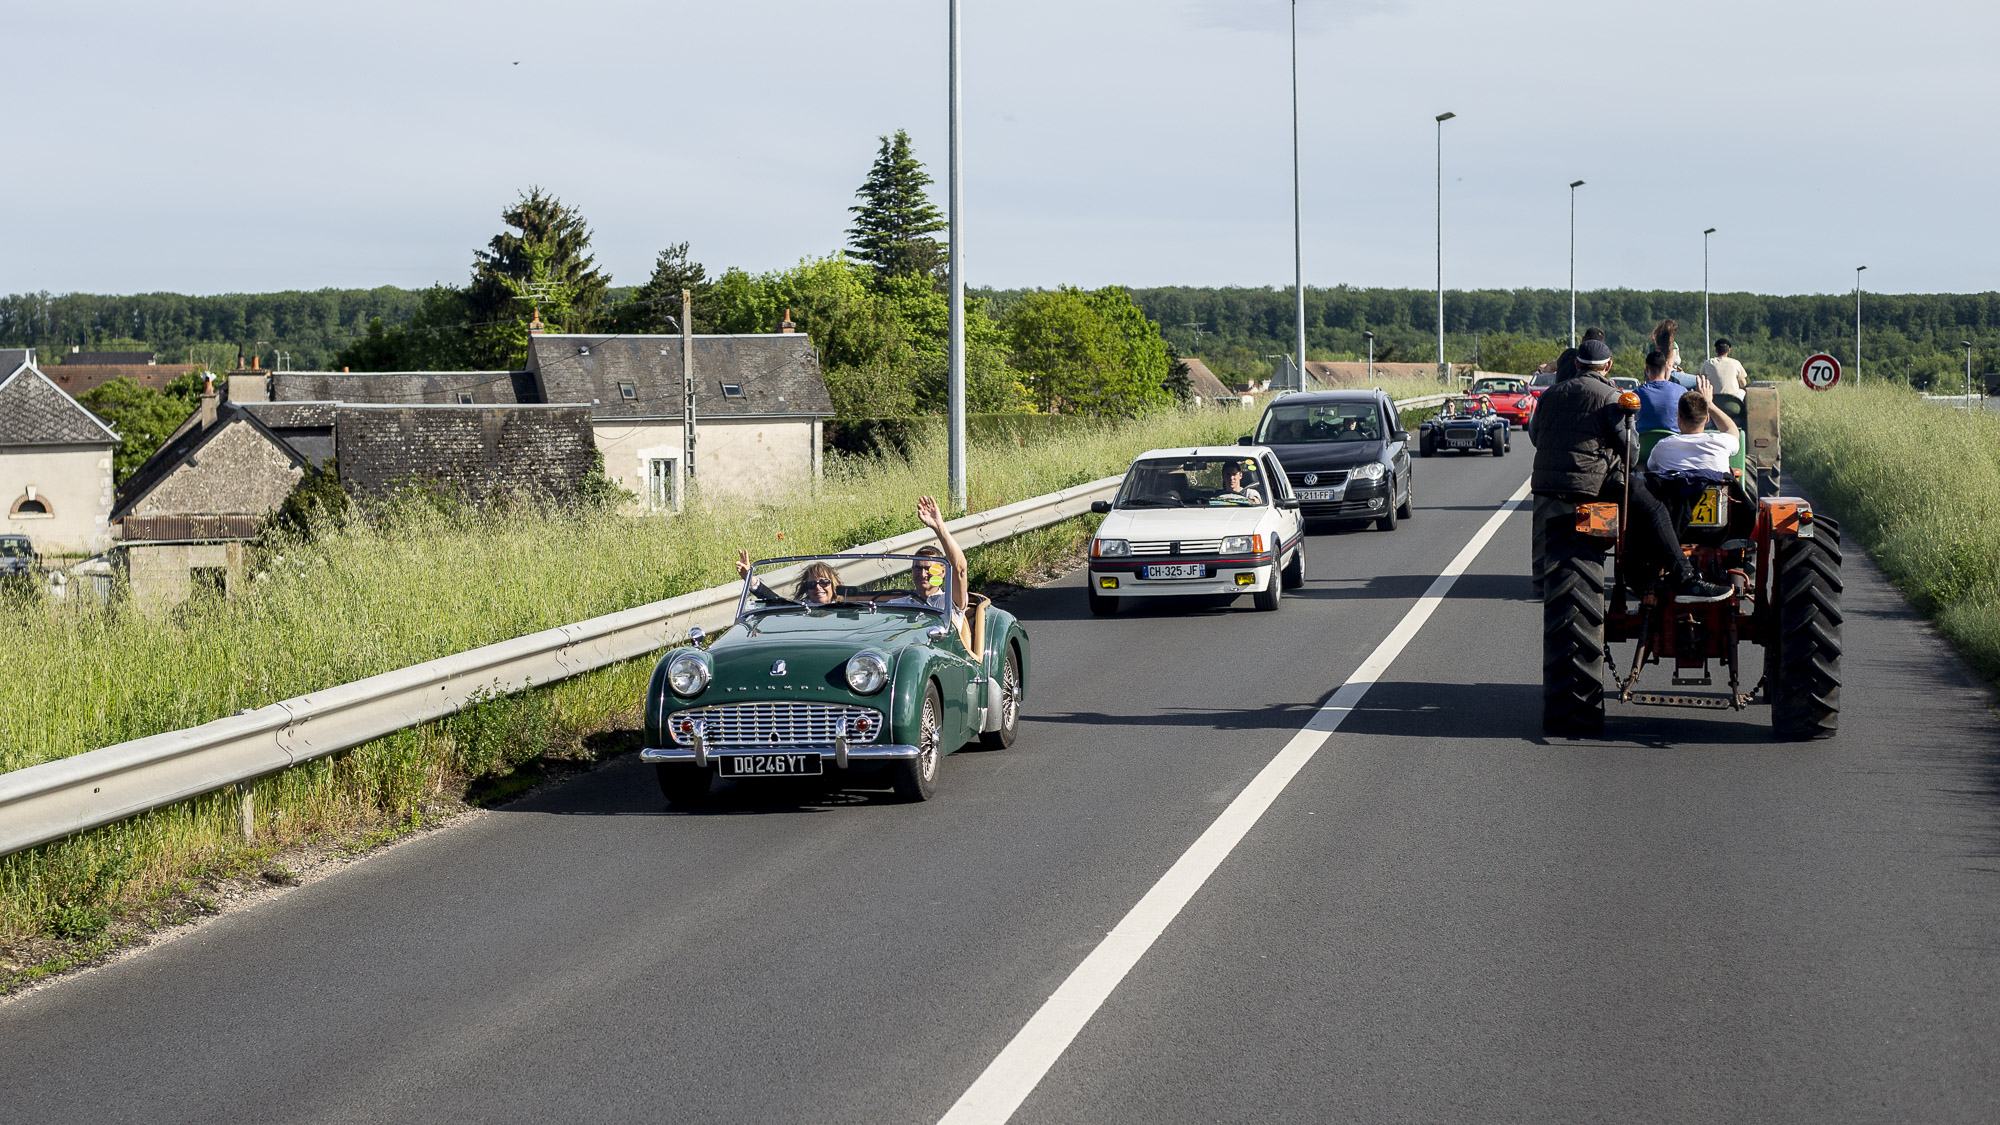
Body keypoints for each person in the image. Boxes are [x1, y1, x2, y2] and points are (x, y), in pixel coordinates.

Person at [1530, 338, 1730, 601]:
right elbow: (1631, 450)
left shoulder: (1547, 396)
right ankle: (1682, 575)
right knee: (1652, 507)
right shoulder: (1613, 398)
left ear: (1577, 364)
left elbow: (1536, 436)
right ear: (1608, 366)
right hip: (1596, 483)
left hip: (1548, 485)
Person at [1647, 378, 1739, 477]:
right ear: (1707, 418)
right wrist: (1710, 405)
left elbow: (1651, 469)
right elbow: (1732, 430)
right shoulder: (1722, 443)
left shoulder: (1661, 447)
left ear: (1679, 418)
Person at [913, 494, 969, 628]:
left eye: (929, 569)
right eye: (918, 568)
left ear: (943, 572)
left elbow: (960, 569)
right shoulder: (901, 602)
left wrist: (939, 527)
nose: (922, 575)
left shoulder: (948, 602)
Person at [736, 552, 840, 605]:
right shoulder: (800, 609)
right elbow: (775, 600)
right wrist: (749, 578)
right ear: (807, 589)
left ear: (833, 585)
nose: (818, 587)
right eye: (812, 584)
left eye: (823, 582)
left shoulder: (847, 607)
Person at [1634, 348, 1687, 432]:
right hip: (1674, 443)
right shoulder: (1682, 391)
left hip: (1645, 444)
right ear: (1666, 369)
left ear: (1647, 369)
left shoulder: (1637, 394)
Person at [1699, 339, 1749, 405]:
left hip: (1714, 401)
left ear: (1716, 350)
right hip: (1733, 402)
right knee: (1742, 392)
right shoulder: (1735, 363)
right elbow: (1743, 384)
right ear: (1729, 351)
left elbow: (1703, 380)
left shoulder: (1708, 363)